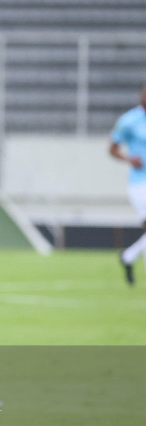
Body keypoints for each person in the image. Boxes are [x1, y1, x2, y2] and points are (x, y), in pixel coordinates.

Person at [110, 82, 146, 286]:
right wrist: (129, 159)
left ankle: (129, 256)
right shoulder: (129, 121)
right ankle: (130, 257)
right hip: (140, 182)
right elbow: (112, 148)